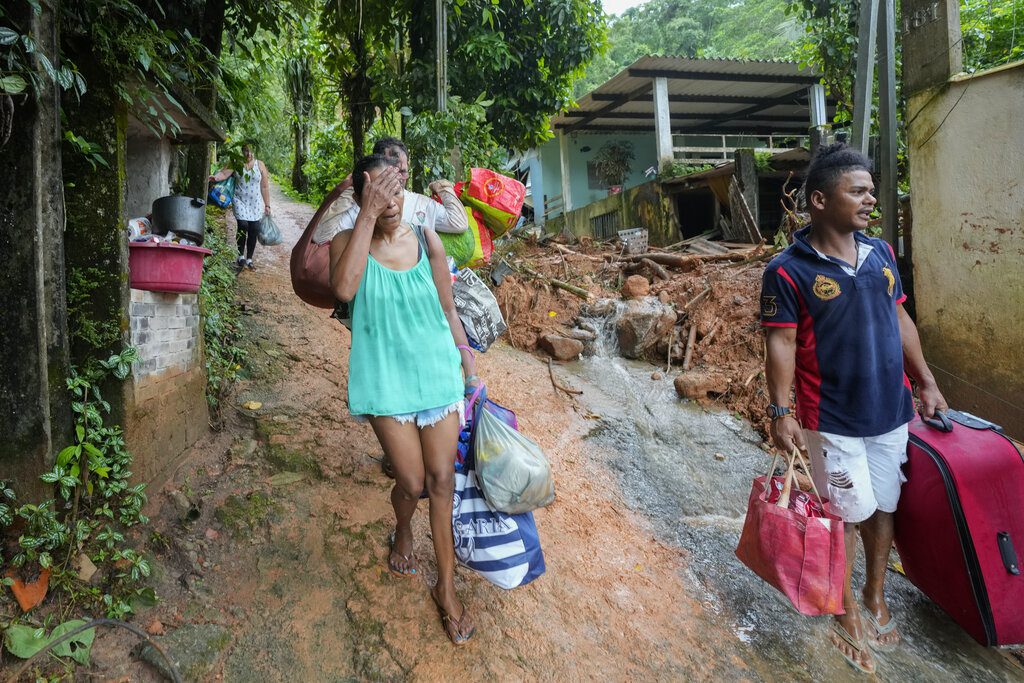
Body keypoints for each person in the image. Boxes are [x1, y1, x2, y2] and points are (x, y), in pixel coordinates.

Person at [760, 143, 946, 674]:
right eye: (858, 191)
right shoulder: (788, 271)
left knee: (883, 506)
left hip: (892, 412)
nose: (870, 200)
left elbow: (901, 321)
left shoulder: (882, 253)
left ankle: (874, 592)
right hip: (830, 421)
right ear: (819, 200)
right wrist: (780, 412)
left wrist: (926, 382)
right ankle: (842, 610)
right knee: (843, 515)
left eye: (871, 190)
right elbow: (781, 343)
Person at [328, 154, 479, 645]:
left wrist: (469, 367)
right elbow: (344, 289)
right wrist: (366, 214)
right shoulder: (346, 243)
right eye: (374, 192)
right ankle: (403, 527)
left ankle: (447, 588)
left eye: (393, 190)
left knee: (441, 481)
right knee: (411, 483)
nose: (387, 201)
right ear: (360, 196)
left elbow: (448, 308)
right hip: (386, 381)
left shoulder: (427, 238)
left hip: (436, 373)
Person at [312, 137, 467, 245]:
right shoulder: (359, 208)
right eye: (389, 172)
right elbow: (321, 237)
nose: (397, 179)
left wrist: (443, 187)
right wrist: (351, 188)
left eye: (402, 172)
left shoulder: (422, 204)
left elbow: (459, 223)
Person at [210, 142, 271, 270]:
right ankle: (240, 256)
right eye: (245, 151)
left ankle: (249, 258)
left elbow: (264, 186)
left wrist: (267, 205)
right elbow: (224, 174)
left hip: (255, 203)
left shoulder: (260, 165)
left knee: (254, 229)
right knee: (243, 225)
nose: (248, 154)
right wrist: (215, 178)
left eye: (250, 151)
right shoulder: (236, 163)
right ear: (242, 151)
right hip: (239, 200)